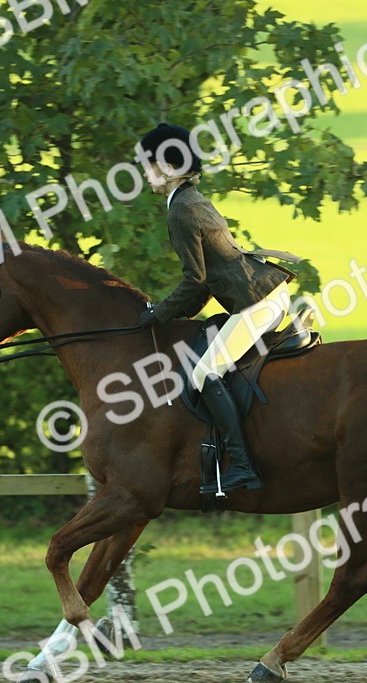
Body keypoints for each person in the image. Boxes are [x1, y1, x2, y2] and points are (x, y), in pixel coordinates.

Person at [134, 123, 300, 495]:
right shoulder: (188, 199)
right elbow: (204, 281)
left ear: (166, 167)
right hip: (258, 294)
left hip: (258, 302)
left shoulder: (182, 210)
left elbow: (195, 280)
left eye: (147, 165)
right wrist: (169, 314)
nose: (144, 173)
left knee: (204, 373)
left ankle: (242, 466)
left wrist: (157, 314)